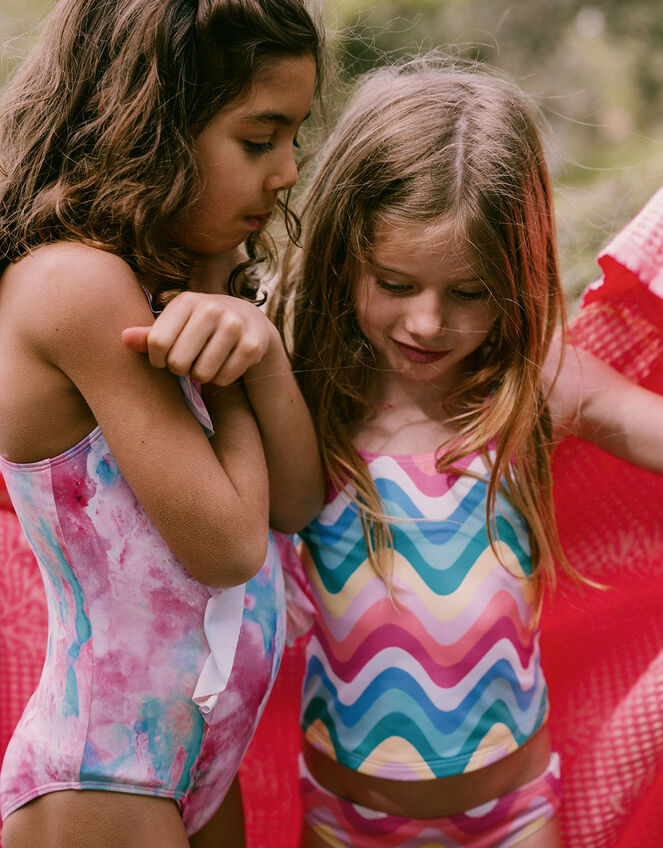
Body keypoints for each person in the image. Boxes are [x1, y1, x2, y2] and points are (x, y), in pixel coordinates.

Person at [126, 63, 663, 847]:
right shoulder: (301, 388)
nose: (427, 321)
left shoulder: (527, 382)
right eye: (395, 281)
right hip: (344, 821)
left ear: (515, 277)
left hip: (511, 820)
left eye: (470, 292)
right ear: (346, 250)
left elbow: (642, 422)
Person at [0, 1, 324, 846]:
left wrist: (257, 344)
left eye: (294, 138)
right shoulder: (73, 285)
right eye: (259, 140)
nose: (287, 171)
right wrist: (224, 349)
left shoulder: (167, 282)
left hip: (192, 767)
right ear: (154, 126)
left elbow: (293, 502)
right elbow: (226, 545)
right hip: (106, 774)